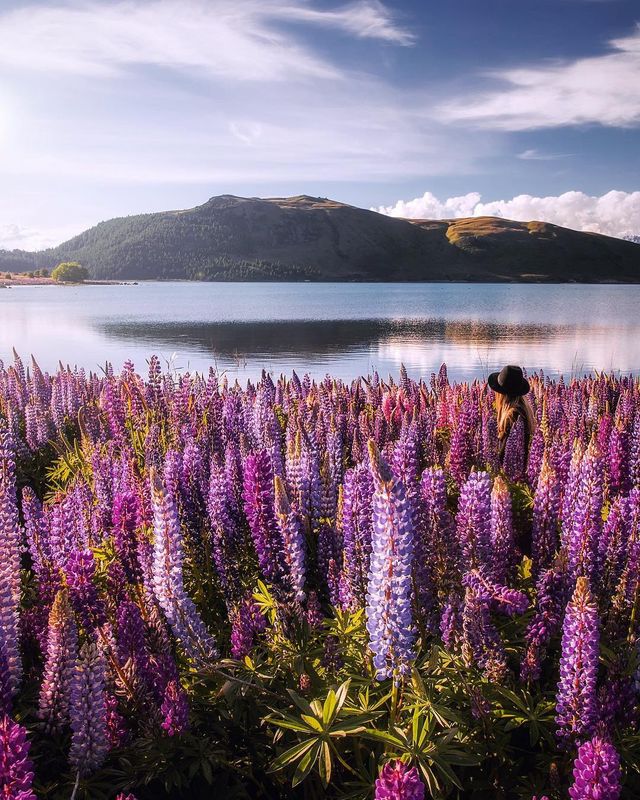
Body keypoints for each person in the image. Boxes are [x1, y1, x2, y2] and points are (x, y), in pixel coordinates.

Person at [487, 365, 536, 465]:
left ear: (501, 394)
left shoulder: (512, 416)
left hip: (511, 471)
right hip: (520, 468)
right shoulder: (523, 410)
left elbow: (504, 455)